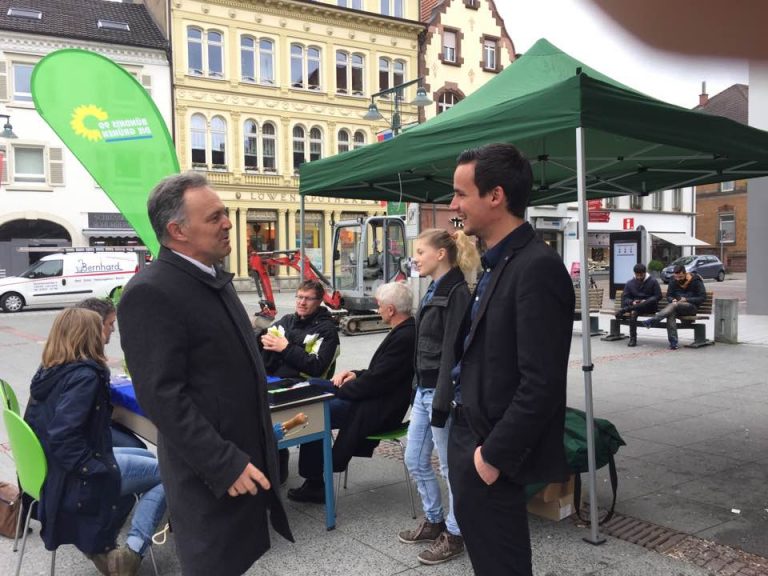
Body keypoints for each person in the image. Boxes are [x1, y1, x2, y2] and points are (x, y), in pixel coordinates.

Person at [117, 172, 292, 576]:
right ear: (177, 231)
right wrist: (222, 463)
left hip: (242, 461)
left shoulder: (212, 276)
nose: (229, 223)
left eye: (225, 214)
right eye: (215, 217)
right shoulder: (151, 291)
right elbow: (162, 396)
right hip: (209, 474)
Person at [447, 143, 574, 576]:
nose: (454, 205)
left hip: (493, 453)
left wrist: (491, 458)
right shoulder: (498, 262)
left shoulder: (537, 267)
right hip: (474, 440)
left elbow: (541, 383)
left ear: (495, 196)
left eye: (461, 194)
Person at [23, 308, 166, 576]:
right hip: (74, 476)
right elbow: (63, 437)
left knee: (147, 457)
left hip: (51, 471)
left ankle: (105, 539)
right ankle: (130, 555)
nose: (108, 331)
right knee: (169, 473)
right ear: (88, 336)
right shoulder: (85, 376)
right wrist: (97, 470)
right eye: (104, 327)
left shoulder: (50, 369)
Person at [287, 281, 416, 504]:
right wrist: (355, 374)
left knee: (315, 410)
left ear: (391, 310)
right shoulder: (404, 330)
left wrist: (342, 389)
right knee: (312, 385)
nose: (377, 310)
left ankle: (315, 484)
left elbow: (377, 382)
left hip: (377, 408)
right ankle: (313, 477)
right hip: (373, 396)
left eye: (379, 306)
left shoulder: (405, 336)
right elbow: (381, 373)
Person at [397, 229, 477, 566]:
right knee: (414, 459)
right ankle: (434, 520)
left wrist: (443, 398)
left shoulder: (457, 290)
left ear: (441, 254)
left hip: (441, 392)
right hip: (424, 389)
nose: (415, 257)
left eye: (420, 251)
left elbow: (452, 351)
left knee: (449, 468)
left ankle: (456, 534)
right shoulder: (432, 288)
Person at [259, 279, 340, 483]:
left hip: (304, 388)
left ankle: (309, 480)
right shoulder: (286, 321)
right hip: (273, 381)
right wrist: (264, 339)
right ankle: (273, 464)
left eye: (308, 299)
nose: (302, 302)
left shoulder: (327, 330)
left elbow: (316, 366)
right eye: (299, 297)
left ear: (319, 301)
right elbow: (264, 348)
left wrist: (285, 347)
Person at [76, 297, 147, 449]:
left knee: (137, 446)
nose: (113, 329)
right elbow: (70, 428)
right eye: (110, 323)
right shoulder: (85, 372)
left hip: (81, 435)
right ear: (95, 326)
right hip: (82, 447)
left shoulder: (66, 358)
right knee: (141, 452)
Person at [642, 263, 706, 349]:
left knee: (674, 306)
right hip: (676, 306)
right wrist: (672, 299)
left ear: (685, 273)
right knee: (671, 313)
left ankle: (653, 321)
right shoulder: (673, 280)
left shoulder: (696, 280)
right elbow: (669, 295)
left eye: (680, 277)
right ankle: (673, 342)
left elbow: (702, 297)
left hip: (691, 307)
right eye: (676, 277)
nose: (678, 279)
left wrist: (687, 300)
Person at [615, 263, 662, 347]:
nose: (639, 277)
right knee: (633, 313)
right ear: (634, 273)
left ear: (645, 273)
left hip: (650, 307)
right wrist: (632, 302)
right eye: (637, 275)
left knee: (649, 300)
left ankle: (625, 310)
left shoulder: (653, 281)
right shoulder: (630, 283)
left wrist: (645, 301)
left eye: (641, 275)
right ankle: (633, 339)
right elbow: (625, 298)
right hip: (636, 307)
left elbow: (658, 296)